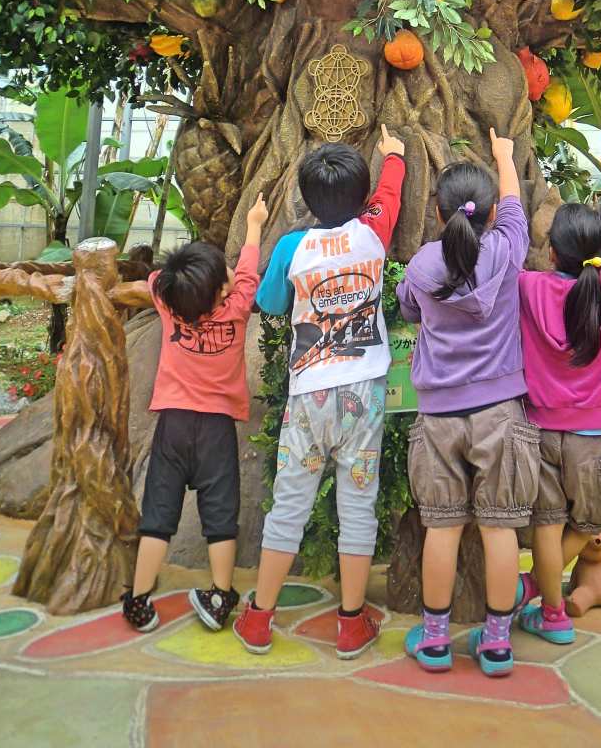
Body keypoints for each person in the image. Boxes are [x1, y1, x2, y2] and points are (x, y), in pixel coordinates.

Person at [234, 124, 407, 660]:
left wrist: (264, 241)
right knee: (359, 504)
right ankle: (351, 623)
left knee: (290, 502)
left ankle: (259, 618)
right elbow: (390, 195)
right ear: (359, 197)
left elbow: (269, 302)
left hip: (308, 393)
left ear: (307, 198)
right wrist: (394, 156)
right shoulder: (373, 233)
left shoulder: (294, 246)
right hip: (364, 394)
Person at [398, 128, 539, 679]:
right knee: (500, 528)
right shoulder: (506, 250)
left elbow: (410, 310)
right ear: (490, 214)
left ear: (438, 213)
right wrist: (504, 155)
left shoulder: (421, 266)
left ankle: (435, 639)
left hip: (437, 416)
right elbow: (515, 206)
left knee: (443, 526)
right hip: (500, 412)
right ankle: (497, 644)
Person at [120, 193, 268, 633]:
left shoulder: (168, 302)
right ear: (222, 290)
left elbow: (159, 278)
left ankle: (139, 600)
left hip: (173, 425)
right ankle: (220, 595)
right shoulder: (238, 308)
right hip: (216, 430)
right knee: (220, 516)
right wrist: (255, 223)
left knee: (158, 514)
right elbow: (248, 271)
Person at [515, 157, 601, 644]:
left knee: (546, 525)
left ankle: (551, 612)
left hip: (543, 430)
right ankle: (536, 587)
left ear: (551, 253)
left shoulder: (529, 288)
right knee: (592, 521)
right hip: (597, 435)